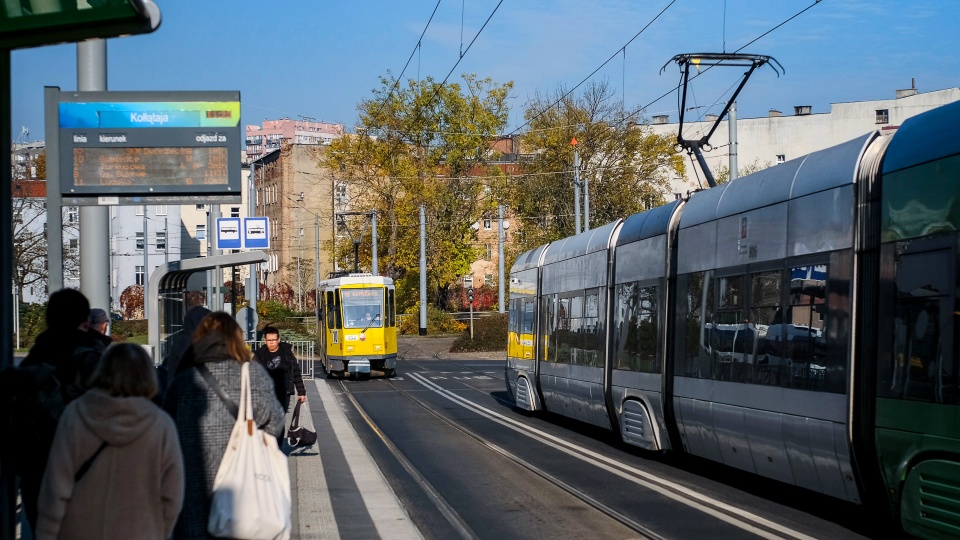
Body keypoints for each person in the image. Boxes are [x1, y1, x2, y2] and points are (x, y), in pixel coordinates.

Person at [35, 343, 185, 540]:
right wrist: (156, 531)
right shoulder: (161, 425)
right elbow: (172, 496)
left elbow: (55, 489)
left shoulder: (75, 415)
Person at [164, 312, 284, 539]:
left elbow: (166, 431)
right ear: (236, 339)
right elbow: (276, 426)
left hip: (192, 494)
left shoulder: (184, 381)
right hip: (244, 497)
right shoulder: (252, 375)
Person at [13, 288, 103, 534]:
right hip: (87, 471)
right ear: (85, 321)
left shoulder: (32, 362)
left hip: (38, 470)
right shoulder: (95, 359)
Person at [254, 326, 306, 414]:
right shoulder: (260, 355)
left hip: (284, 392)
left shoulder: (286, 353)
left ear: (278, 340)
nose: (271, 343)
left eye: (273, 340)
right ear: (265, 341)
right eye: (269, 340)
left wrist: (301, 392)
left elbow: (296, 372)